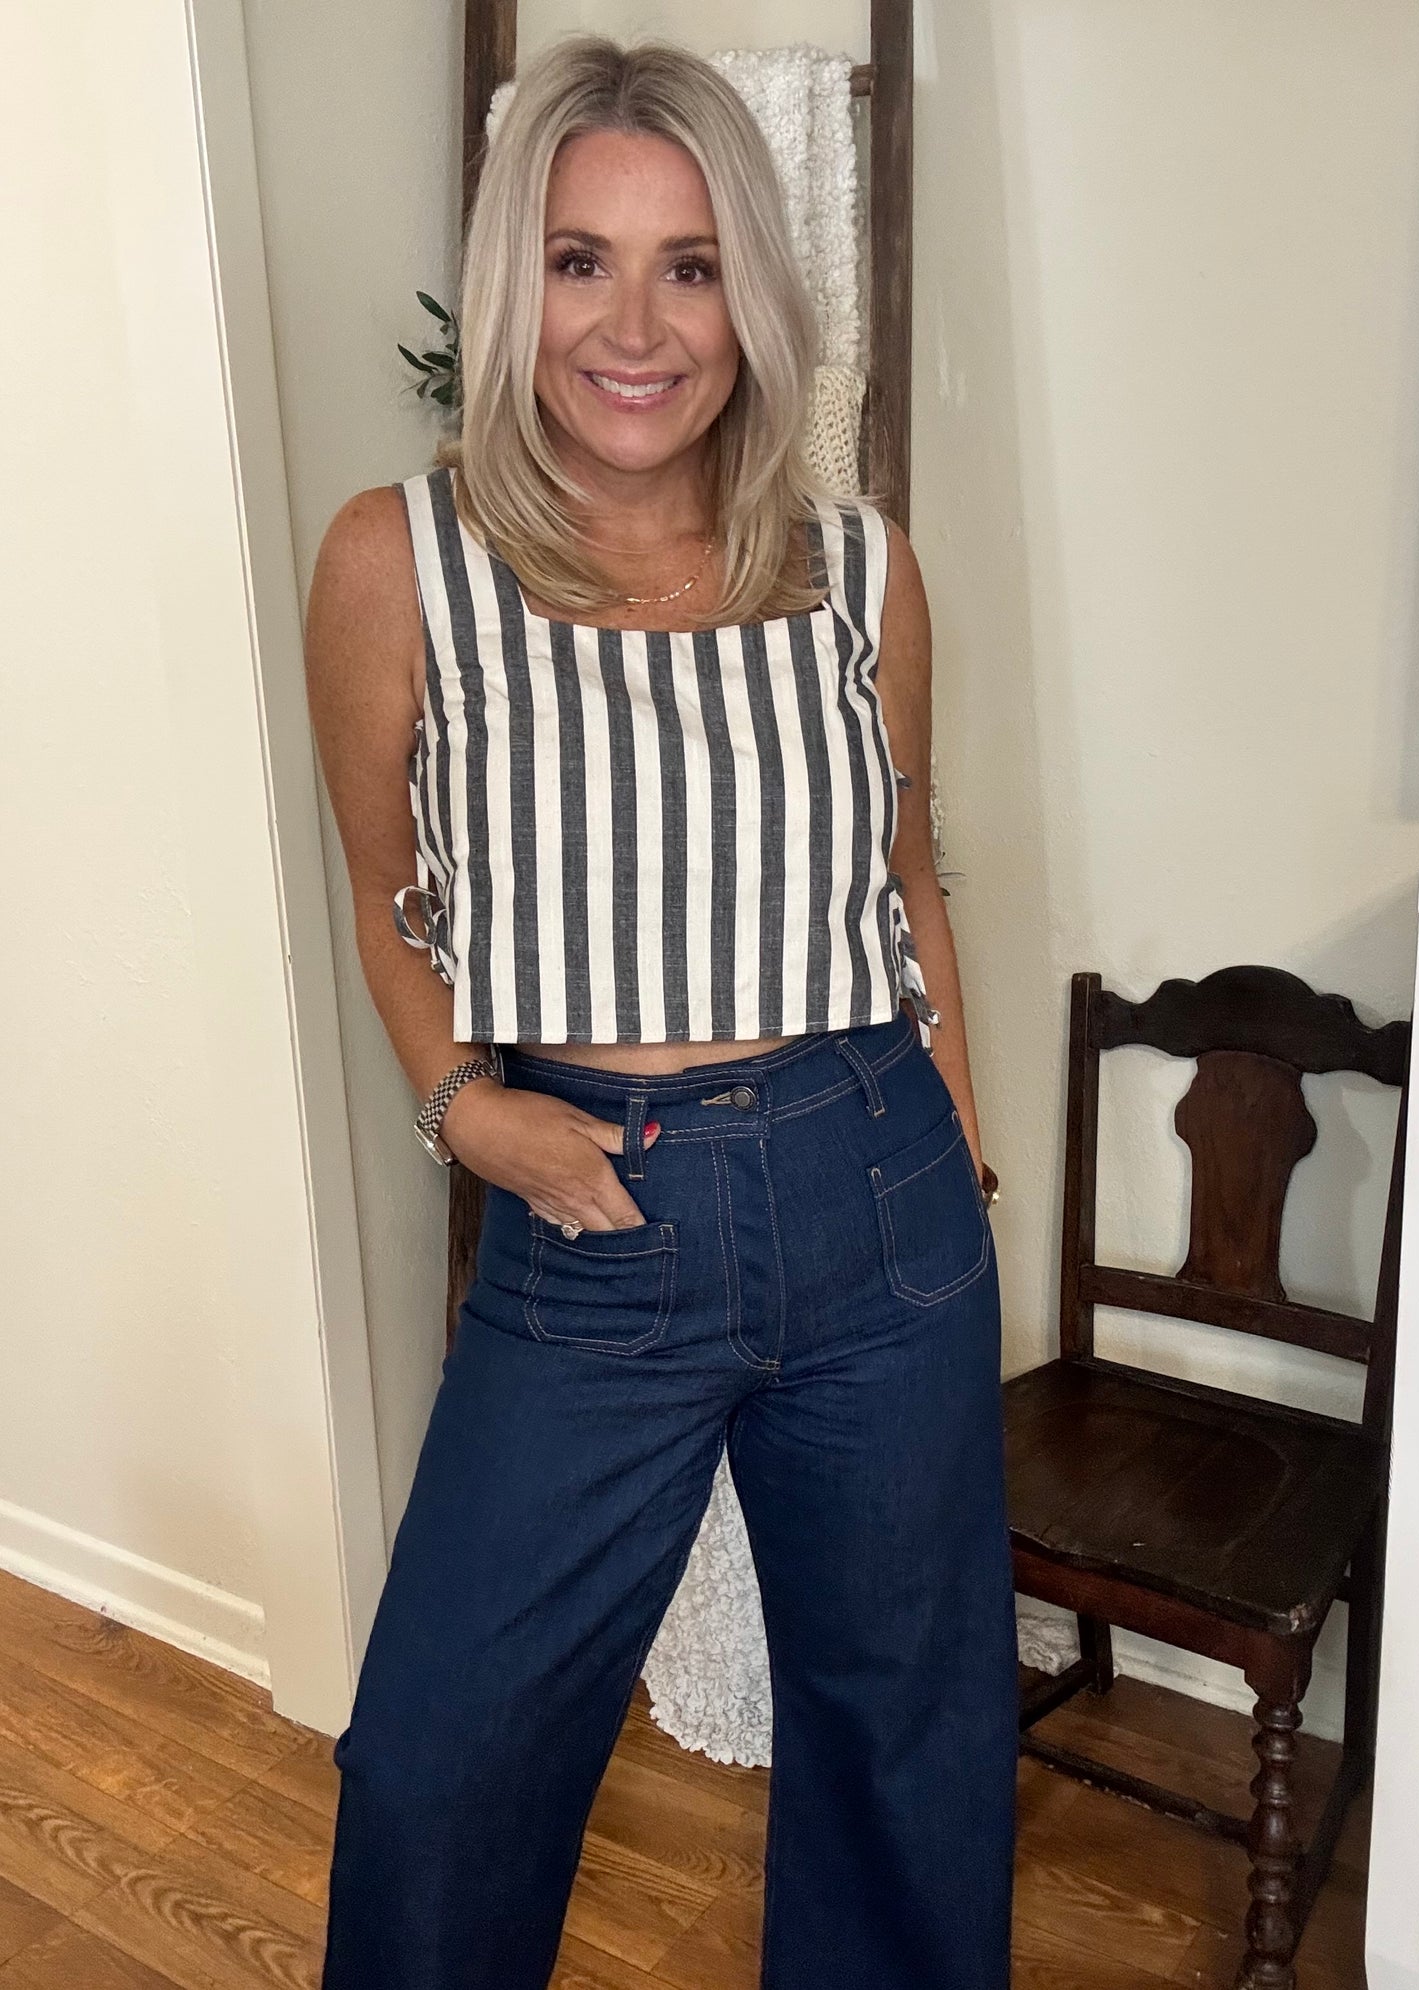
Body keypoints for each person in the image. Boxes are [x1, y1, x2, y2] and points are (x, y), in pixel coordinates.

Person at [304, 31, 1017, 1990]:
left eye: (688, 266)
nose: (636, 326)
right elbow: (384, 894)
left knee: (905, 1747)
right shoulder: (400, 560)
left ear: (748, 298)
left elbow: (909, 883)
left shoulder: (859, 568)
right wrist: (462, 1104)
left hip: (879, 1194)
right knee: (441, 1760)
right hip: (594, 1214)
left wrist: (955, 1160)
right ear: (512, 281)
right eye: (580, 260)